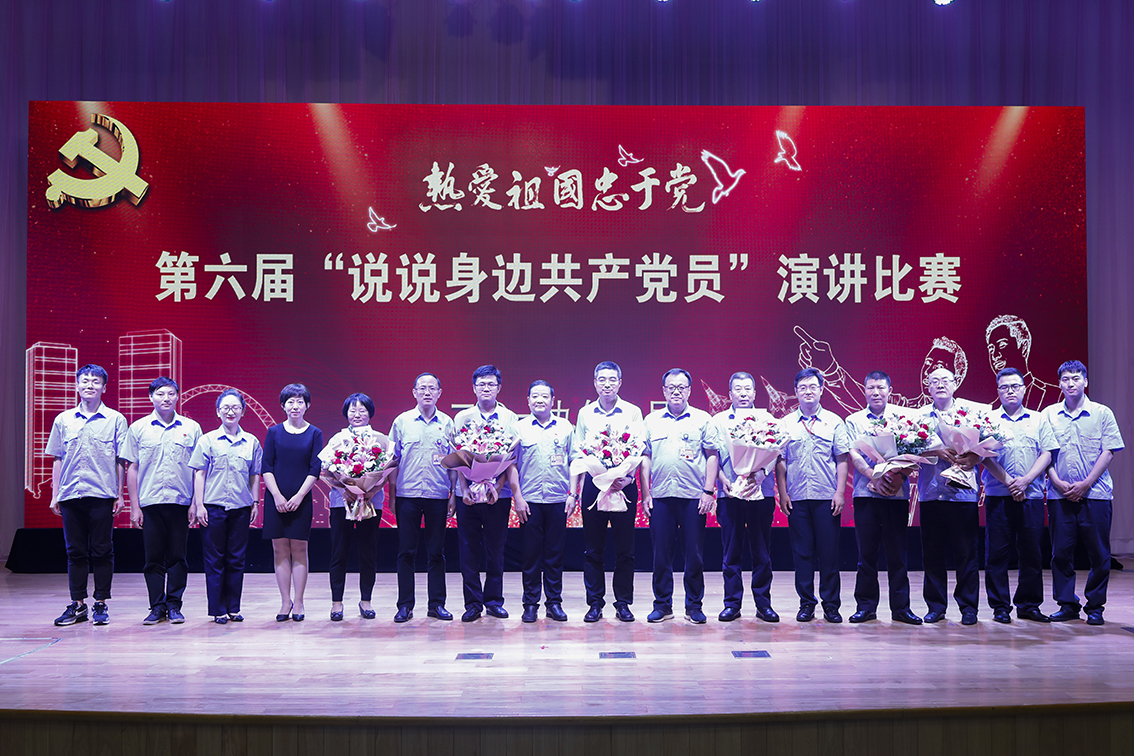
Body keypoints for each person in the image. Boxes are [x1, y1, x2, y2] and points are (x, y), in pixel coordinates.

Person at [46, 364, 128, 627]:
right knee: (75, 552)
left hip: (102, 494)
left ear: (104, 387)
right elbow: (58, 458)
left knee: (102, 550)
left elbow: (121, 460)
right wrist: (55, 494)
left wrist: (119, 494)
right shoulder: (63, 420)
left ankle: (101, 603)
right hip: (71, 494)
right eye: (85, 380)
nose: (90, 385)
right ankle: (78, 604)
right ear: (77, 385)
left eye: (95, 381)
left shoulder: (116, 419)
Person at [1044, 360, 1124, 626]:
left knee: (1099, 554)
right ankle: (1067, 604)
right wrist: (1056, 481)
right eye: (1066, 379)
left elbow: (1109, 451)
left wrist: (1086, 483)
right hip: (1060, 495)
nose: (1071, 383)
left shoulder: (1102, 413)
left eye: (1076, 378)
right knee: (1060, 553)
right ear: (1059, 383)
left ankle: (1095, 607)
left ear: (1085, 381)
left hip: (1096, 494)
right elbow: (1045, 454)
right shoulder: (1049, 414)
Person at [640, 368, 721, 624]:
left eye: (681, 387)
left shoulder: (702, 419)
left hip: (693, 497)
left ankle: (694, 606)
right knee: (660, 555)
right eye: (671, 387)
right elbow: (645, 458)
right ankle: (662, 605)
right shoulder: (651, 420)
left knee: (694, 555)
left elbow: (712, 456)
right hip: (661, 496)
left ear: (689, 390)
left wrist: (708, 490)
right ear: (663, 391)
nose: (676, 391)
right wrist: (646, 493)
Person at [980, 368, 1058, 624]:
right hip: (998, 495)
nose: (1010, 391)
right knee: (996, 554)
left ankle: (1029, 605)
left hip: (1031, 495)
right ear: (998, 390)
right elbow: (984, 456)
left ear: (1024, 389)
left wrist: (1025, 481)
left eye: (1015, 386)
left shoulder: (1038, 419)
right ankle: (1000, 607)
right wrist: (1009, 482)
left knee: (1032, 553)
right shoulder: (989, 419)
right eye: (1004, 387)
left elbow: (1047, 453)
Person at [124, 377, 203, 626]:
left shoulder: (192, 427)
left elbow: (198, 470)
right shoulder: (138, 428)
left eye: (170, 393)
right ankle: (156, 606)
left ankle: (174, 604)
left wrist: (195, 502)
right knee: (153, 558)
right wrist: (134, 506)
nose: (166, 398)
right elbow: (132, 467)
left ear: (177, 396)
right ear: (151, 397)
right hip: (150, 502)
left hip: (181, 502)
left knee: (178, 557)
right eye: (160, 394)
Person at [845, 371, 922, 625]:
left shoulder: (904, 418)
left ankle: (901, 608)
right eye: (870, 388)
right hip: (865, 493)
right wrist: (873, 476)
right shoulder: (854, 420)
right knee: (866, 554)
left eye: (880, 387)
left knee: (897, 554)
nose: (875, 392)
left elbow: (915, 451)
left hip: (897, 495)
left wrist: (900, 476)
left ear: (890, 390)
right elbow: (854, 454)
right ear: (864, 390)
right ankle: (865, 607)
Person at [571, 361, 644, 623]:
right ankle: (594, 603)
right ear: (594, 383)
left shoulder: (633, 412)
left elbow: (639, 448)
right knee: (593, 549)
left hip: (624, 483)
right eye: (601, 379)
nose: (607, 384)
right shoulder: (585, 413)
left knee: (625, 549)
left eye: (612, 379)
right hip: (594, 484)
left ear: (620, 383)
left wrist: (628, 477)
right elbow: (579, 452)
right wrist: (577, 490)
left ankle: (623, 603)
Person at [775, 368, 850, 623]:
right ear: (795, 392)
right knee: (802, 553)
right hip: (796, 496)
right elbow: (781, 461)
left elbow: (841, 459)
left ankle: (831, 605)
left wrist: (840, 493)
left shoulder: (834, 421)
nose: (808, 391)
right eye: (803, 387)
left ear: (821, 390)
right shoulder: (785, 424)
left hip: (826, 496)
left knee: (829, 553)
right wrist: (783, 493)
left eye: (813, 387)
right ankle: (806, 603)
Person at [188, 389, 262, 624]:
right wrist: (199, 505)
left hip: (241, 507)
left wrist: (255, 501)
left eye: (235, 407)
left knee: (237, 559)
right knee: (214, 560)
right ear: (218, 411)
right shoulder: (207, 440)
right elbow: (199, 474)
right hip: (213, 507)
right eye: (226, 408)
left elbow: (255, 474)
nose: (231, 412)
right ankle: (218, 609)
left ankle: (233, 608)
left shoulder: (251, 442)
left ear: (243, 411)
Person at [916, 367, 984, 625]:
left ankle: (969, 608)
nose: (940, 384)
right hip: (931, 492)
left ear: (955, 384)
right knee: (932, 554)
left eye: (946, 380)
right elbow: (908, 447)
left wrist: (974, 455)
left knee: (966, 553)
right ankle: (936, 607)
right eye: (934, 381)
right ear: (928, 387)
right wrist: (935, 451)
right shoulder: (919, 417)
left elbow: (986, 447)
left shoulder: (971, 414)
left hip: (962, 494)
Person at [451, 365, 518, 622]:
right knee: (467, 548)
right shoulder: (462, 418)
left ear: (499, 387)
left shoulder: (510, 418)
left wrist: (497, 487)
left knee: (496, 548)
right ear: (474, 388)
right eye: (481, 384)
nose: (486, 388)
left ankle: (493, 601)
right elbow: (458, 458)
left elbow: (511, 459)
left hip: (497, 496)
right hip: (467, 496)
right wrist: (463, 489)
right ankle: (472, 603)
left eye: (491, 384)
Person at [712, 372, 780, 623]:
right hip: (730, 492)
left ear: (754, 393)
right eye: (738, 389)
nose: (743, 393)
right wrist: (722, 479)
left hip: (761, 493)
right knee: (731, 552)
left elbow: (776, 451)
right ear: (730, 394)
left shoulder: (768, 419)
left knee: (762, 551)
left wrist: (761, 473)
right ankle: (732, 604)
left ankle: (764, 604)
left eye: (747, 389)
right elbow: (712, 456)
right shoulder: (718, 421)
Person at [389, 373, 457, 623]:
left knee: (436, 552)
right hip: (407, 495)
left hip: (438, 495)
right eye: (422, 388)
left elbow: (455, 463)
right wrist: (392, 494)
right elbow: (392, 460)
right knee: (406, 552)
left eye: (432, 388)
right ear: (414, 392)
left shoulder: (447, 423)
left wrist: (453, 494)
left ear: (439, 393)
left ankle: (436, 604)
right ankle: (405, 605)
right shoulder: (402, 422)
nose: (427, 392)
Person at [509, 380, 573, 623]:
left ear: (553, 401)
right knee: (531, 555)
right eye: (534, 396)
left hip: (558, 499)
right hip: (530, 501)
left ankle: (554, 603)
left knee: (555, 555)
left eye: (544, 396)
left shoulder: (565, 427)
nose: (539, 400)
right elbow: (511, 465)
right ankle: (530, 604)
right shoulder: (519, 428)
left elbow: (575, 462)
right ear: (528, 400)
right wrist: (518, 497)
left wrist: (572, 495)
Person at [319, 393, 385, 622]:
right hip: (341, 503)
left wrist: (371, 491)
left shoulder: (381, 440)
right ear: (346, 413)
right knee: (339, 552)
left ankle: (366, 601)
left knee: (368, 553)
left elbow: (387, 471)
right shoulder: (337, 439)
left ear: (370, 412)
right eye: (352, 410)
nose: (357, 414)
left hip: (371, 503)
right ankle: (336, 603)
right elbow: (326, 469)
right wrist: (344, 491)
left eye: (362, 410)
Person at [261, 383, 322, 623]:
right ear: (283, 405)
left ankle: (299, 601)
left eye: (299, 401)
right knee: (279, 550)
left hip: (301, 499)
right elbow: (267, 466)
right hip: (275, 498)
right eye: (290, 402)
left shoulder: (314, 433)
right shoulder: (274, 432)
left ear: (307, 405)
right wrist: (277, 495)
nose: (295, 406)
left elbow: (315, 469)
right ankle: (285, 601)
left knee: (299, 549)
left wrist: (299, 496)